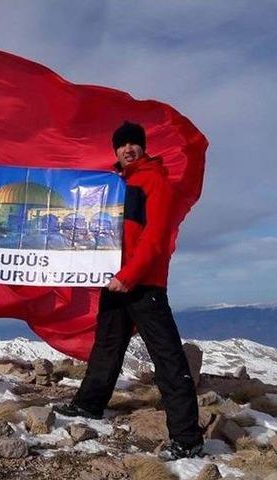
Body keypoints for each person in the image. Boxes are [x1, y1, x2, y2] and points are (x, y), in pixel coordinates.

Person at [53, 121, 203, 460]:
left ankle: (187, 437)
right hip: (115, 280)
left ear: (143, 147)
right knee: (106, 347)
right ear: (115, 150)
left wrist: (129, 276)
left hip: (143, 283)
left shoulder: (155, 183)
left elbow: (155, 240)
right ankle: (89, 405)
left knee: (166, 357)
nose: (128, 149)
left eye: (134, 143)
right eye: (122, 145)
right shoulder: (116, 185)